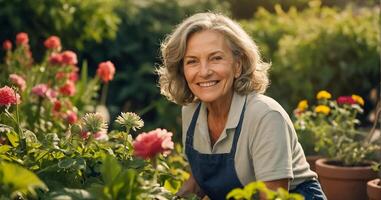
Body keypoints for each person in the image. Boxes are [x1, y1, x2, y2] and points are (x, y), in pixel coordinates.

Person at [157, 12, 326, 200]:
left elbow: (272, 197)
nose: (204, 71)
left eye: (216, 58)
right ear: (182, 70)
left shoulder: (265, 116)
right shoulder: (191, 113)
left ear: (238, 65)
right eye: (192, 61)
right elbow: (199, 180)